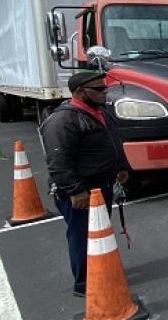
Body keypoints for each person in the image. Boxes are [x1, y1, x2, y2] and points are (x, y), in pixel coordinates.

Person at [39, 71, 130, 297]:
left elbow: (114, 142)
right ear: (80, 92)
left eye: (104, 88)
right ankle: (85, 284)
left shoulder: (100, 113)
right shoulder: (64, 120)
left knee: (99, 233)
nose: (104, 92)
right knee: (82, 236)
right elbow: (58, 159)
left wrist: (122, 167)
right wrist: (75, 190)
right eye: (98, 89)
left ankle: (99, 271)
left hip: (102, 187)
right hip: (81, 192)